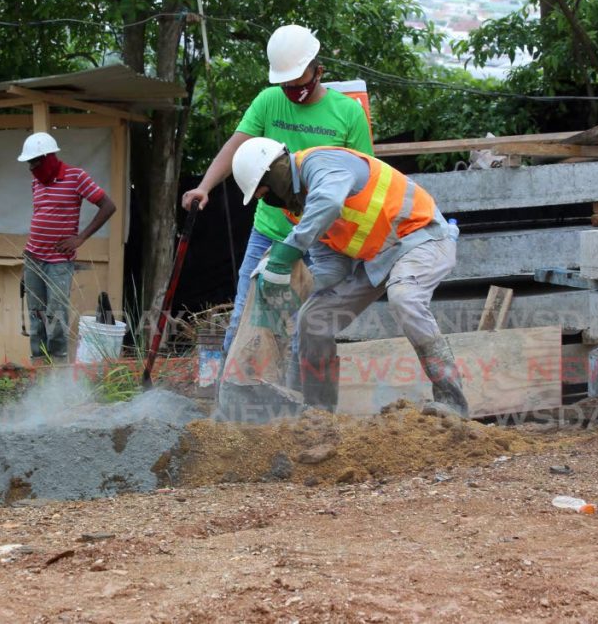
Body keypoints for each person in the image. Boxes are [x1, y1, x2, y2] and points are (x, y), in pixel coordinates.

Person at [231, 137, 469, 418]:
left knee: (405, 297)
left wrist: (287, 253)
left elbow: (329, 201)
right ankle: (319, 412)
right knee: (314, 318)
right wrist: (295, 289)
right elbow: (332, 268)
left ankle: (452, 401)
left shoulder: (319, 163)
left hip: (421, 237)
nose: (266, 197)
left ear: (274, 170)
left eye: (264, 190)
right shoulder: (298, 211)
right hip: (378, 260)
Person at [181, 24, 373, 370]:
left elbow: (364, 178)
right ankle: (230, 399)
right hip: (269, 231)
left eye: (298, 84)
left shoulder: (348, 114)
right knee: (245, 319)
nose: (291, 92)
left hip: (322, 239)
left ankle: (299, 410)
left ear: (318, 72)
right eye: (285, 85)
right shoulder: (269, 102)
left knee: (307, 326)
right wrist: (204, 186)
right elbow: (236, 144)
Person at [17, 132, 116, 365]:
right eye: (29, 163)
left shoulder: (76, 177)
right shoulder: (36, 182)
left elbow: (108, 206)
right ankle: (38, 366)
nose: (32, 168)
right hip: (33, 258)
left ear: (49, 157)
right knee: (36, 315)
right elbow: (42, 215)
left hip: (59, 262)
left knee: (56, 315)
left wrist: (80, 238)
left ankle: (58, 367)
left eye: (35, 162)